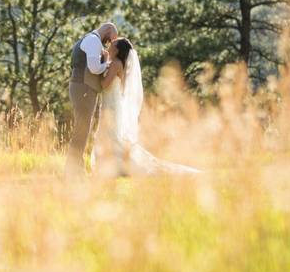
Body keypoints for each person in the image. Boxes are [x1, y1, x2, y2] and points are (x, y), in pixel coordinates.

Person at [93, 37, 201, 176]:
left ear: (117, 49)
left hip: (111, 106)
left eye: (113, 44)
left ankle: (116, 166)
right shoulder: (118, 63)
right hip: (112, 104)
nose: (109, 45)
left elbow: (104, 84)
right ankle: (111, 165)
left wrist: (94, 74)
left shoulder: (115, 64)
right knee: (111, 134)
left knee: (110, 134)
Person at [64, 23, 118, 175]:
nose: (109, 44)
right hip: (84, 88)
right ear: (107, 31)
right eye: (110, 39)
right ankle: (73, 168)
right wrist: (108, 64)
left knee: (82, 128)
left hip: (82, 87)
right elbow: (94, 68)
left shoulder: (90, 40)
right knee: (81, 129)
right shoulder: (94, 40)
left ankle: (75, 167)